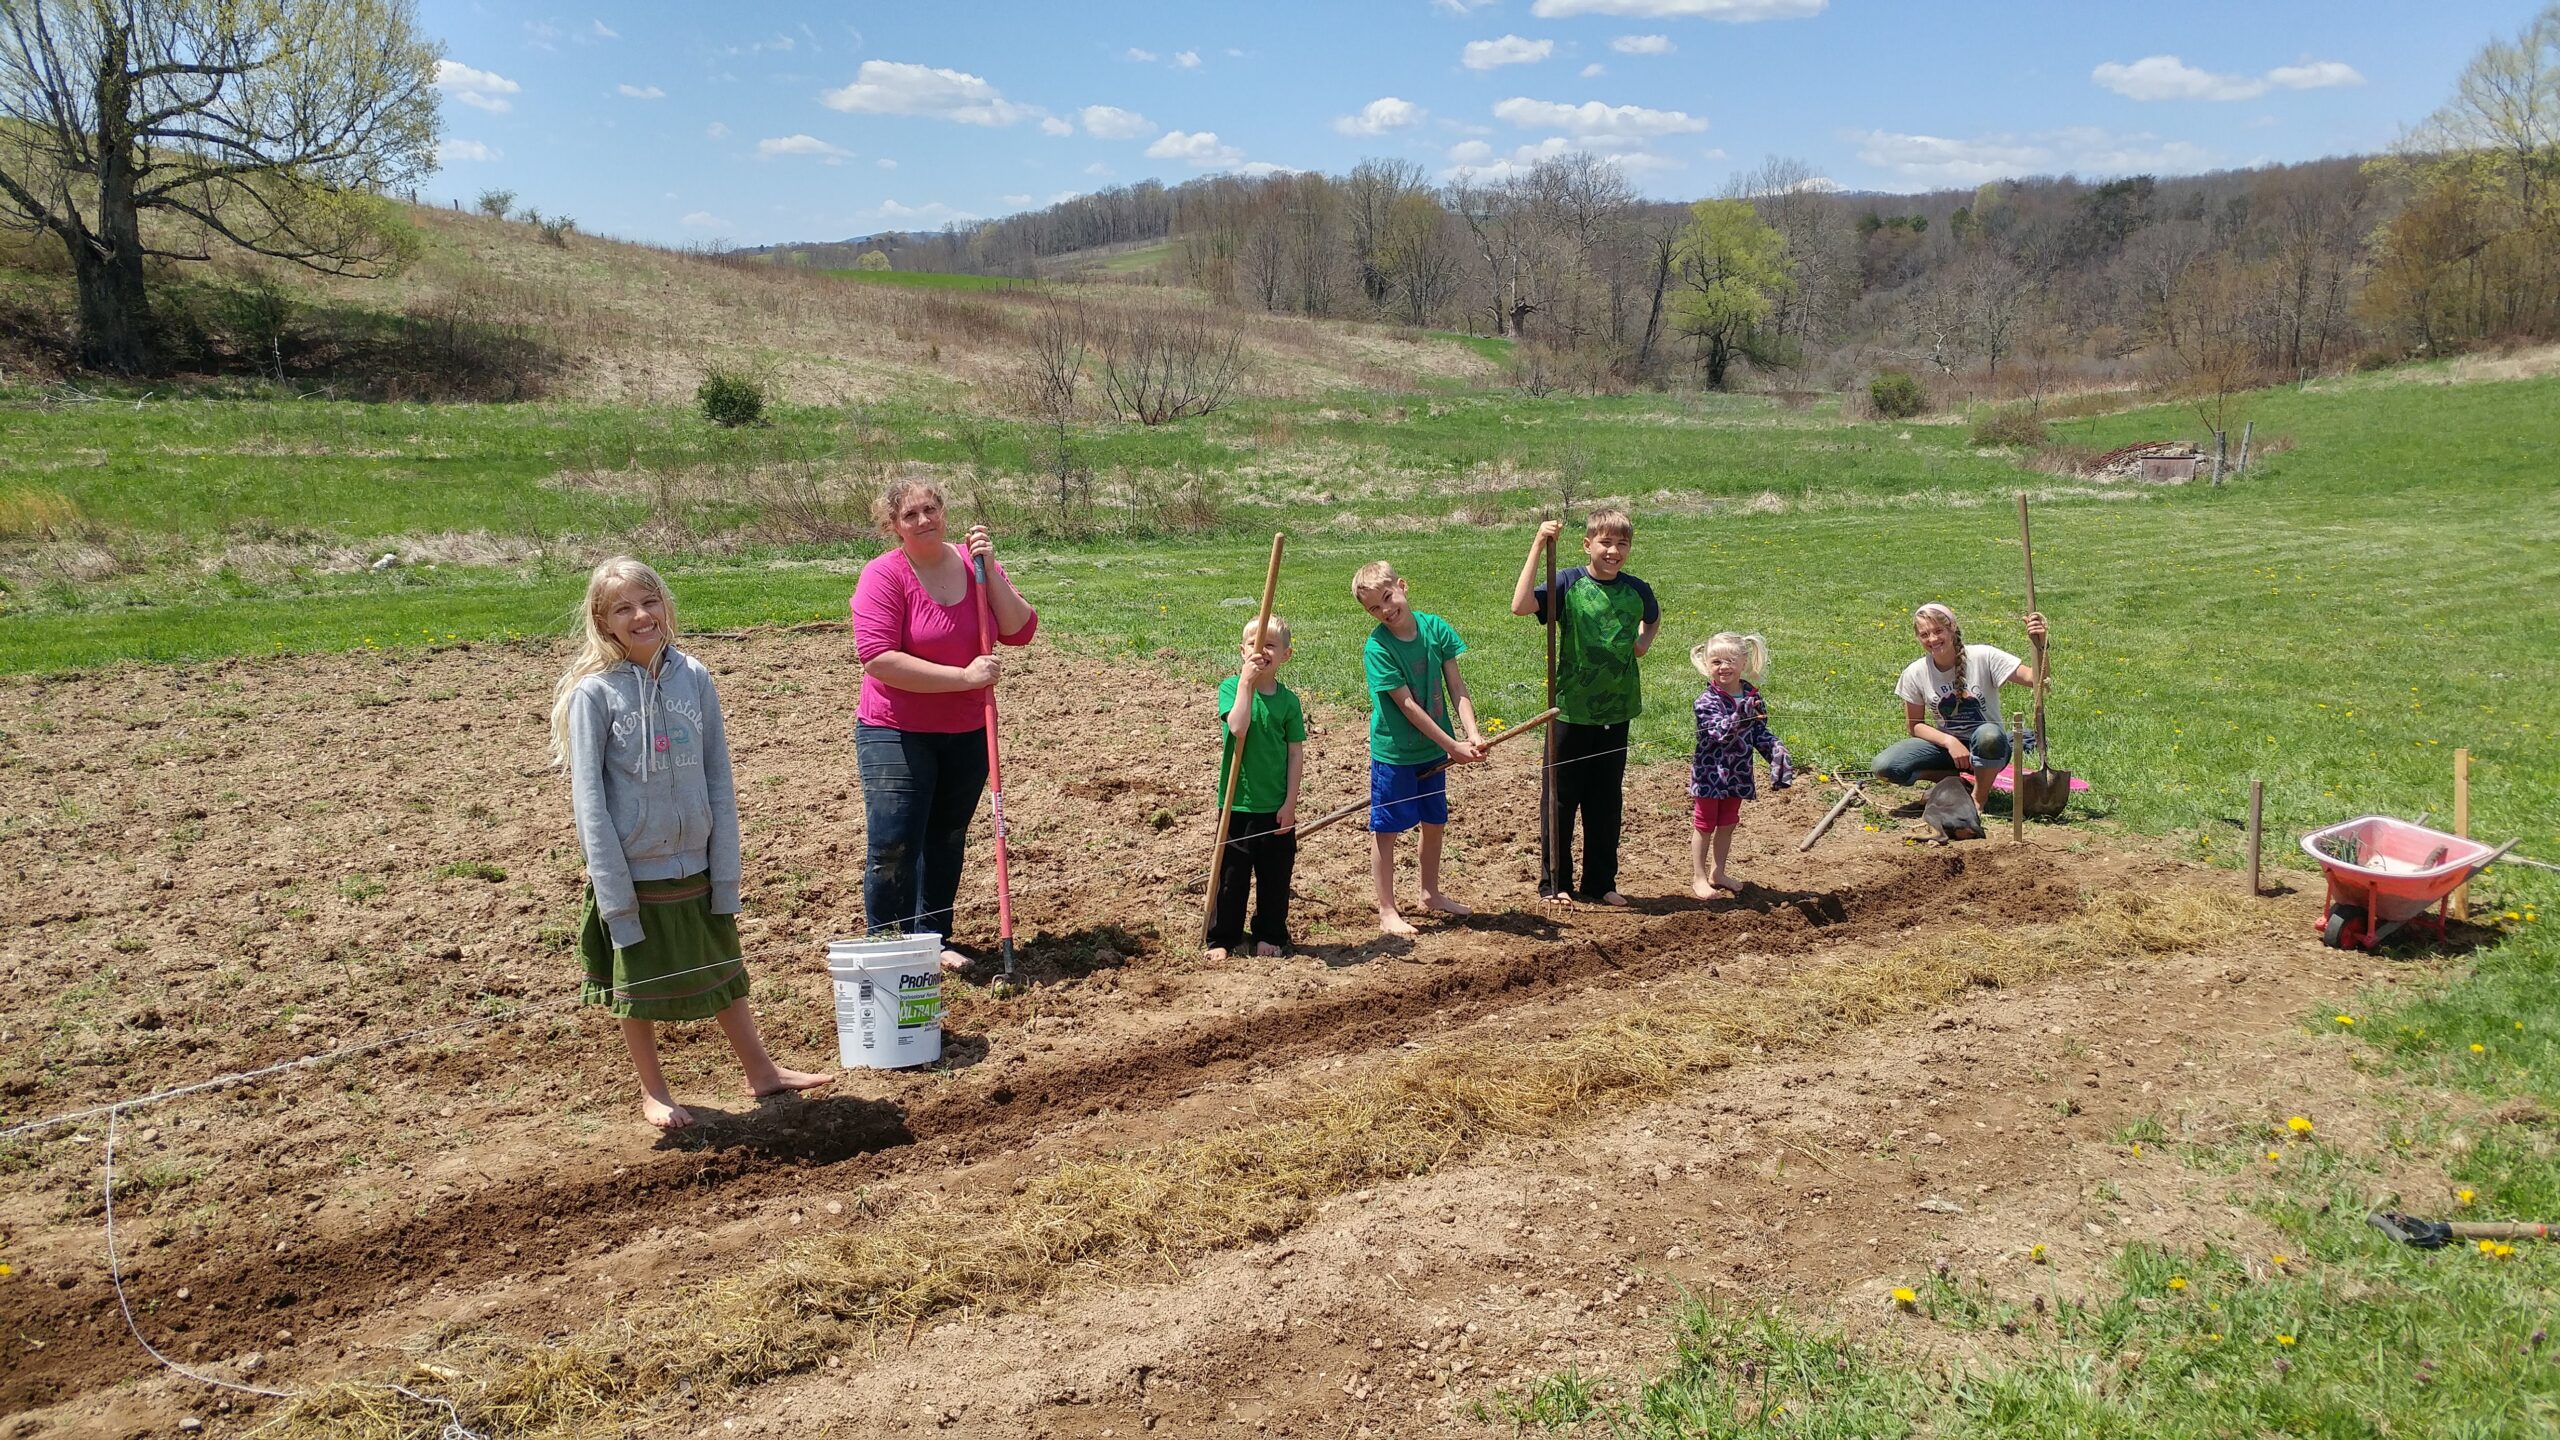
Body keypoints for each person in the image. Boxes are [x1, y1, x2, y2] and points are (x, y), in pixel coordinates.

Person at [552, 556, 833, 1130]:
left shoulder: (695, 677)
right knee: (639, 982)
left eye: (648, 601)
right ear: (603, 623)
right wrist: (614, 891)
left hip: (697, 859)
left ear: (665, 605)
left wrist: (724, 867)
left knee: (724, 967)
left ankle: (762, 1071)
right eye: (623, 608)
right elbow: (590, 802)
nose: (640, 615)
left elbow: (717, 778)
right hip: (635, 869)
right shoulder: (594, 695)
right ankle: (653, 1091)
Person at [849, 475, 1038, 973]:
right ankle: (890, 948)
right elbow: (877, 658)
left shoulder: (974, 564)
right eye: (910, 515)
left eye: (930, 508)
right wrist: (963, 676)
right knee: (894, 841)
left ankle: (931, 938)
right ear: (894, 525)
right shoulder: (884, 576)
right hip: (895, 728)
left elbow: (1020, 630)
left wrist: (990, 570)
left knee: (946, 837)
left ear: (943, 511)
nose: (923, 520)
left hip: (967, 729)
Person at [1510, 509, 1658, 906]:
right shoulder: (1568, 582)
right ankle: (1554, 883)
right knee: (1560, 800)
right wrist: (1538, 545)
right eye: (1605, 543)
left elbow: (1652, 616)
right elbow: (1521, 605)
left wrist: (1642, 645)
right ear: (1588, 544)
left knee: (1606, 800)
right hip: (1570, 713)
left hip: (1616, 713)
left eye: (1621, 544)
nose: (1613, 551)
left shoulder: (1636, 590)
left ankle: (1600, 883)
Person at [1354, 560, 1487, 937]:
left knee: (1434, 821)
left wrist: (1472, 734)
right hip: (1395, 753)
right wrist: (1453, 746)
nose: (1385, 610)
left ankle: (1430, 893)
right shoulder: (1377, 647)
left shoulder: (1435, 629)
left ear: (1402, 585)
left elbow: (1457, 689)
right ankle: (1387, 909)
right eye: (1374, 609)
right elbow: (1409, 707)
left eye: (1387, 598)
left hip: (1434, 749)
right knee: (1387, 829)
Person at [1870, 602, 2048, 807]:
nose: (1933, 639)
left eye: (1938, 631)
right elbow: (1914, 725)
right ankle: (1955, 780)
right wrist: (1949, 742)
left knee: (1988, 735)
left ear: (1952, 628)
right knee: (1885, 767)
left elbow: (2038, 680)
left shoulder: (1984, 656)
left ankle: (1978, 798)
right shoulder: (1915, 672)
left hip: (1989, 748)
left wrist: (2041, 644)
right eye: (1924, 634)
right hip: (1948, 752)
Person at [1206, 616, 1307, 960]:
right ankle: (1223, 937)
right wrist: (1247, 685)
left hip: (1275, 805)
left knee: (1275, 878)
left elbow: (1295, 753)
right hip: (1237, 804)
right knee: (1231, 877)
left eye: (1269, 645)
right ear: (1241, 650)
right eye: (1253, 644)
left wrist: (1290, 803)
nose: (1259, 651)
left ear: (1285, 655)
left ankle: (1270, 934)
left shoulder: (1289, 702)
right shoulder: (1231, 688)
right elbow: (1238, 727)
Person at [1689, 632, 1795, 896]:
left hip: (1738, 772)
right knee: (1704, 824)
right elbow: (1719, 733)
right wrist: (1740, 715)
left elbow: (1759, 732)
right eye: (1716, 662)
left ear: (1743, 661)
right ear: (1707, 664)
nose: (1723, 667)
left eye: (1729, 661)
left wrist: (1775, 750)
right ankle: (1699, 877)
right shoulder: (1706, 701)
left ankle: (1718, 871)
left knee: (1728, 823)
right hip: (1710, 774)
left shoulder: (1752, 695)